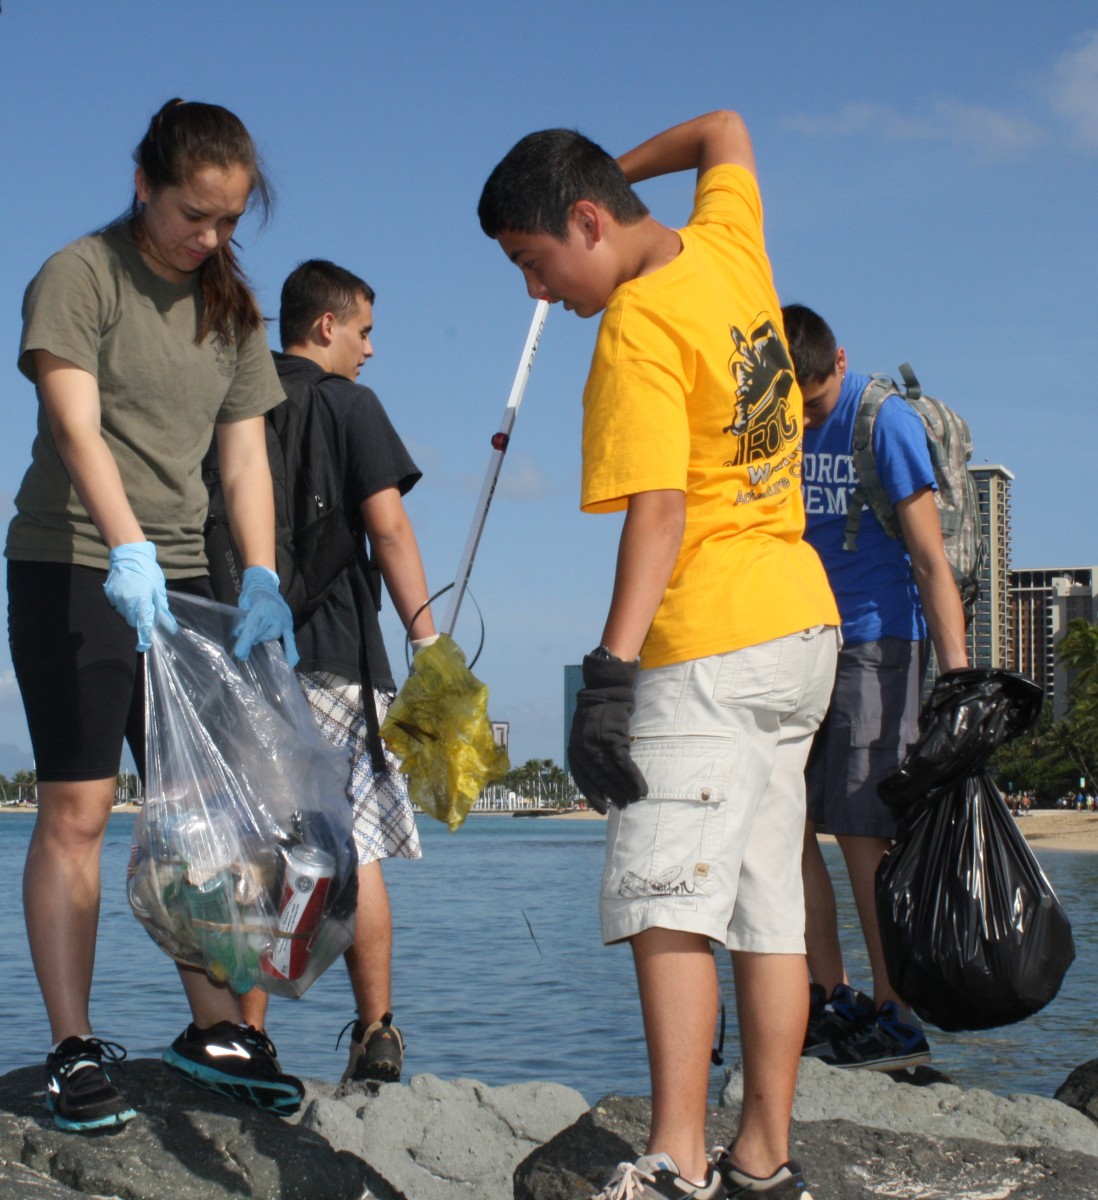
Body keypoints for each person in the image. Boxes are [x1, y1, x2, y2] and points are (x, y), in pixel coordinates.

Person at [479, 112, 840, 1200]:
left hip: (709, 644)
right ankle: (765, 1155)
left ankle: (679, 1159)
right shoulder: (727, 244)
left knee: (668, 899)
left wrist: (609, 674)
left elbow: (660, 513)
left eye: (536, 263)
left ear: (587, 224)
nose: (538, 293)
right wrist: (603, 172)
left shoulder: (635, 326)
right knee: (770, 907)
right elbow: (726, 129)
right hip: (800, 630)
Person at [7, 98, 303, 1133]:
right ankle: (73, 1045)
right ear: (146, 185)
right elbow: (75, 422)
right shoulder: (79, 275)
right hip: (75, 562)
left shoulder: (232, 308)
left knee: (202, 821)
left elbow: (244, 455)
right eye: (193, 213)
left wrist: (258, 575)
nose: (209, 237)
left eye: (226, 220)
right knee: (80, 811)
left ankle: (216, 1029)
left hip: (186, 584)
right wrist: (126, 545)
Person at [236, 259, 436, 1085]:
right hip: (337, 655)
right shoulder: (349, 406)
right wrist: (429, 641)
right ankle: (376, 1031)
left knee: (254, 854)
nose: (370, 350)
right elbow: (387, 530)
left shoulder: (238, 402)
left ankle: (244, 1038)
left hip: (246, 656)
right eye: (364, 331)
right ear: (325, 326)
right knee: (360, 847)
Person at [781, 303, 969, 1072]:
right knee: (784, 824)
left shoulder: (881, 420)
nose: (808, 412)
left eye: (816, 398)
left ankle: (899, 1014)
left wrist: (957, 681)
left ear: (840, 363)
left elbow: (930, 558)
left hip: (877, 640)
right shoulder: (776, 421)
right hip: (798, 637)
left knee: (866, 834)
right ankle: (833, 996)